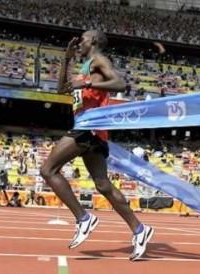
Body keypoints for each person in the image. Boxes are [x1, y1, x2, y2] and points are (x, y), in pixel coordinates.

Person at [40, 30, 153, 261]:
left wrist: (89, 81)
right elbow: (62, 88)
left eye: (81, 40)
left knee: (48, 170)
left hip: (89, 126)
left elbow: (121, 83)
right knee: (103, 185)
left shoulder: (99, 60)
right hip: (94, 130)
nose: (78, 42)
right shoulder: (84, 66)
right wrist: (67, 58)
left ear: (92, 40)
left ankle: (84, 218)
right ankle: (140, 230)